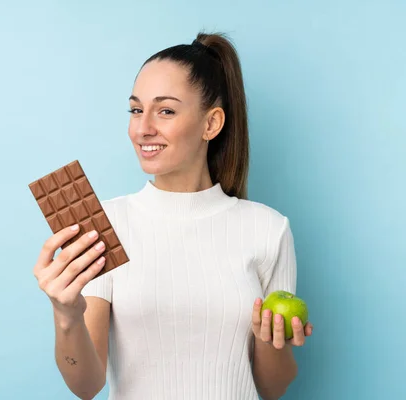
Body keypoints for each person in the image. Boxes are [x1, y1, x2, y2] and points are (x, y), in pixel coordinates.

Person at [33, 31, 314, 400]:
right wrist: (66, 314)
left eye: (165, 110)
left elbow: (272, 387)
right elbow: (86, 385)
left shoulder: (268, 229)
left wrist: (272, 341)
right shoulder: (103, 226)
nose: (143, 127)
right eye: (136, 109)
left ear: (211, 124)